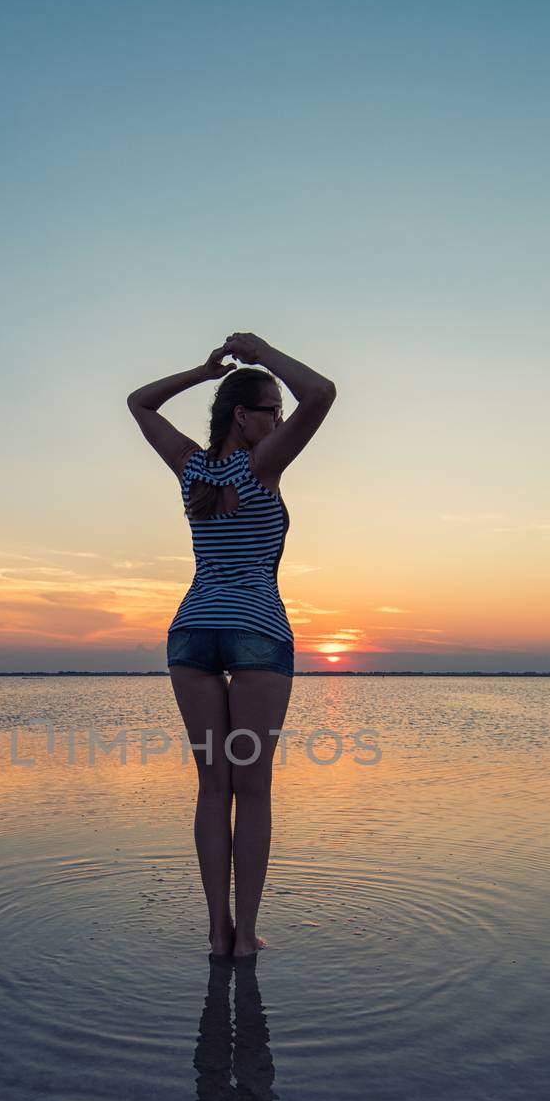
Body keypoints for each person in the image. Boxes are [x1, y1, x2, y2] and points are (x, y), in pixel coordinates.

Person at [127, 332, 336, 958]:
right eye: (270, 408)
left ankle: (216, 934)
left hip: (191, 634)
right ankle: (245, 938)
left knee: (213, 787)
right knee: (254, 788)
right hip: (255, 633)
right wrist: (260, 349)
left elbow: (139, 403)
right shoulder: (261, 464)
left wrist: (204, 370)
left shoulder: (192, 467)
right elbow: (322, 393)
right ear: (244, 416)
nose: (279, 417)